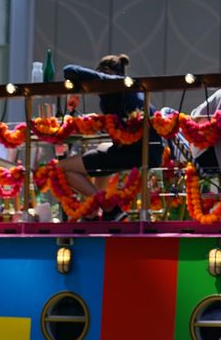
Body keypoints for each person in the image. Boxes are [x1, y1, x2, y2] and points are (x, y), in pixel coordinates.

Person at [58, 54, 163, 221]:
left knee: (60, 168)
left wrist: (78, 89)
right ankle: (93, 213)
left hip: (136, 153)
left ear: (105, 72)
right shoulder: (130, 90)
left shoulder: (112, 82)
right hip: (151, 151)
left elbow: (69, 70)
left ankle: (109, 208)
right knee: (101, 147)